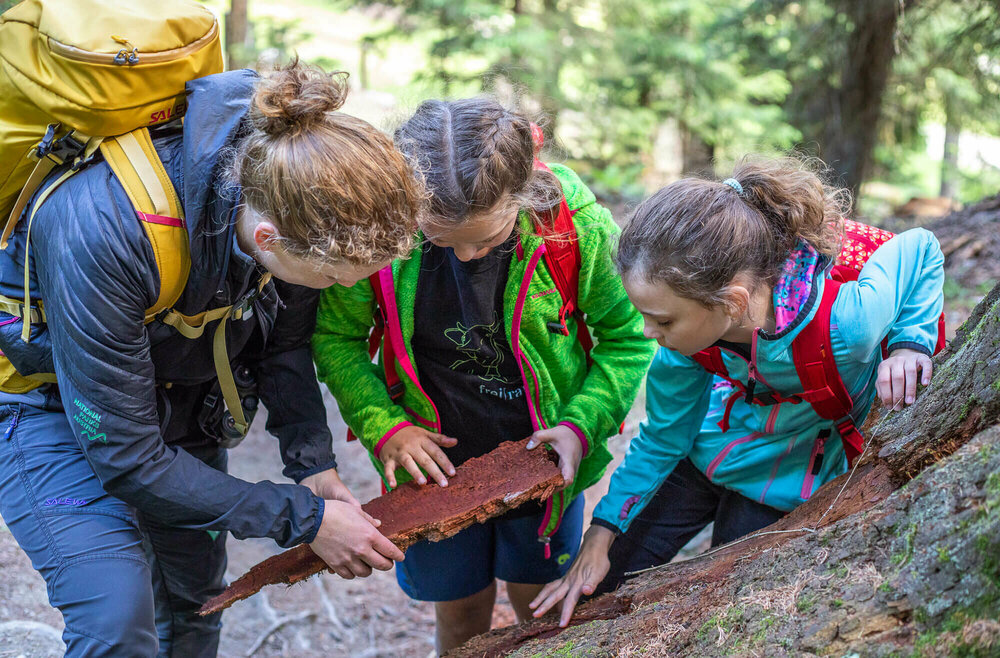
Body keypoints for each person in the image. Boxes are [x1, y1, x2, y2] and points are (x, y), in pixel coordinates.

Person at [0, 62, 419, 657]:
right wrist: (304, 519)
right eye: (330, 278)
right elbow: (129, 459)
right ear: (269, 237)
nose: (333, 288)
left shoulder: (300, 203)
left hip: (182, 388)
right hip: (47, 405)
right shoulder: (105, 226)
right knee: (118, 620)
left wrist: (312, 465)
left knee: (196, 602)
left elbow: (285, 344)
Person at [530, 157, 945, 626]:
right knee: (603, 575)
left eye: (663, 320)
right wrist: (601, 534)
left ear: (733, 303)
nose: (647, 332)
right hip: (717, 442)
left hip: (794, 467)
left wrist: (911, 341)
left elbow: (920, 247)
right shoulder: (683, 345)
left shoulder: (847, 327)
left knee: (724, 596)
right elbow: (665, 436)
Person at [312, 98, 656, 653]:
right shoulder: (380, 232)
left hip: (545, 466)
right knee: (460, 610)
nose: (468, 256)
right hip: (433, 477)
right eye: (443, 240)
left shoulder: (573, 229)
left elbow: (627, 336)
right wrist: (386, 427)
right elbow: (336, 338)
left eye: (488, 239)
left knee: (541, 608)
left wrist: (580, 424)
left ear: (521, 196)